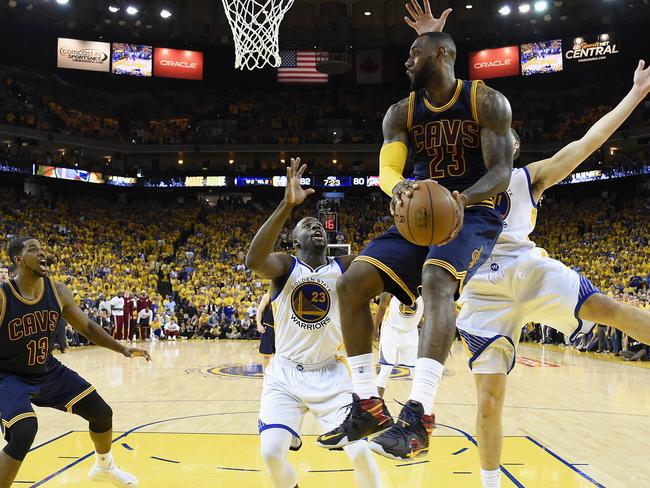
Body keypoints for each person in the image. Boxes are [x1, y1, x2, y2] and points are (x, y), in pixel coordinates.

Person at [319, 1, 513, 460]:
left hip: (476, 210)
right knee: (351, 283)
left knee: (436, 279)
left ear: (442, 54)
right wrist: (401, 187)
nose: (406, 60)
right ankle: (368, 402)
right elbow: (388, 167)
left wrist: (459, 200)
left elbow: (502, 170)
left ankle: (420, 415)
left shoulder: (484, 100)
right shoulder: (399, 113)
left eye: (414, 52)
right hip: (420, 213)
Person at [454, 60, 650, 488]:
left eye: (506, 136)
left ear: (514, 150)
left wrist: (635, 94)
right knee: (488, 403)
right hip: (483, 290)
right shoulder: (457, 185)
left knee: (607, 307)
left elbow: (588, 142)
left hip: (528, 268)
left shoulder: (531, 177)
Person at [245, 158, 381, 488]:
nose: (314, 226)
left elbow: (383, 261)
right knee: (271, 454)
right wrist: (286, 204)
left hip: (330, 375)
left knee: (361, 452)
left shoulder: (346, 265)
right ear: (295, 239)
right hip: (285, 375)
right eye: (305, 225)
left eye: (317, 224)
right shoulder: (286, 268)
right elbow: (253, 261)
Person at [0, 237, 151, 488]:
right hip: (8, 376)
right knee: (25, 431)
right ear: (18, 260)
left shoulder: (58, 292)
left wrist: (122, 348)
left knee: (102, 413)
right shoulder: (4, 297)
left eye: (42, 249)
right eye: (33, 249)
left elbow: (88, 327)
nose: (42, 253)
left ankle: (104, 466)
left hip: (46, 371)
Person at [373, 293, 424, 398]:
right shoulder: (392, 287)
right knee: (386, 370)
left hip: (411, 333)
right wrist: (375, 328)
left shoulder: (424, 287)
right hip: (391, 332)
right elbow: (382, 307)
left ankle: (417, 406)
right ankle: (376, 404)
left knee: (416, 372)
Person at [256, 292, 275, 372]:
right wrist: (259, 324)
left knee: (279, 354)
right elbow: (259, 311)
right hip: (268, 327)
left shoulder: (284, 296)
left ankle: (276, 374)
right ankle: (265, 375)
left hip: (279, 329)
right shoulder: (267, 296)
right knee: (266, 355)